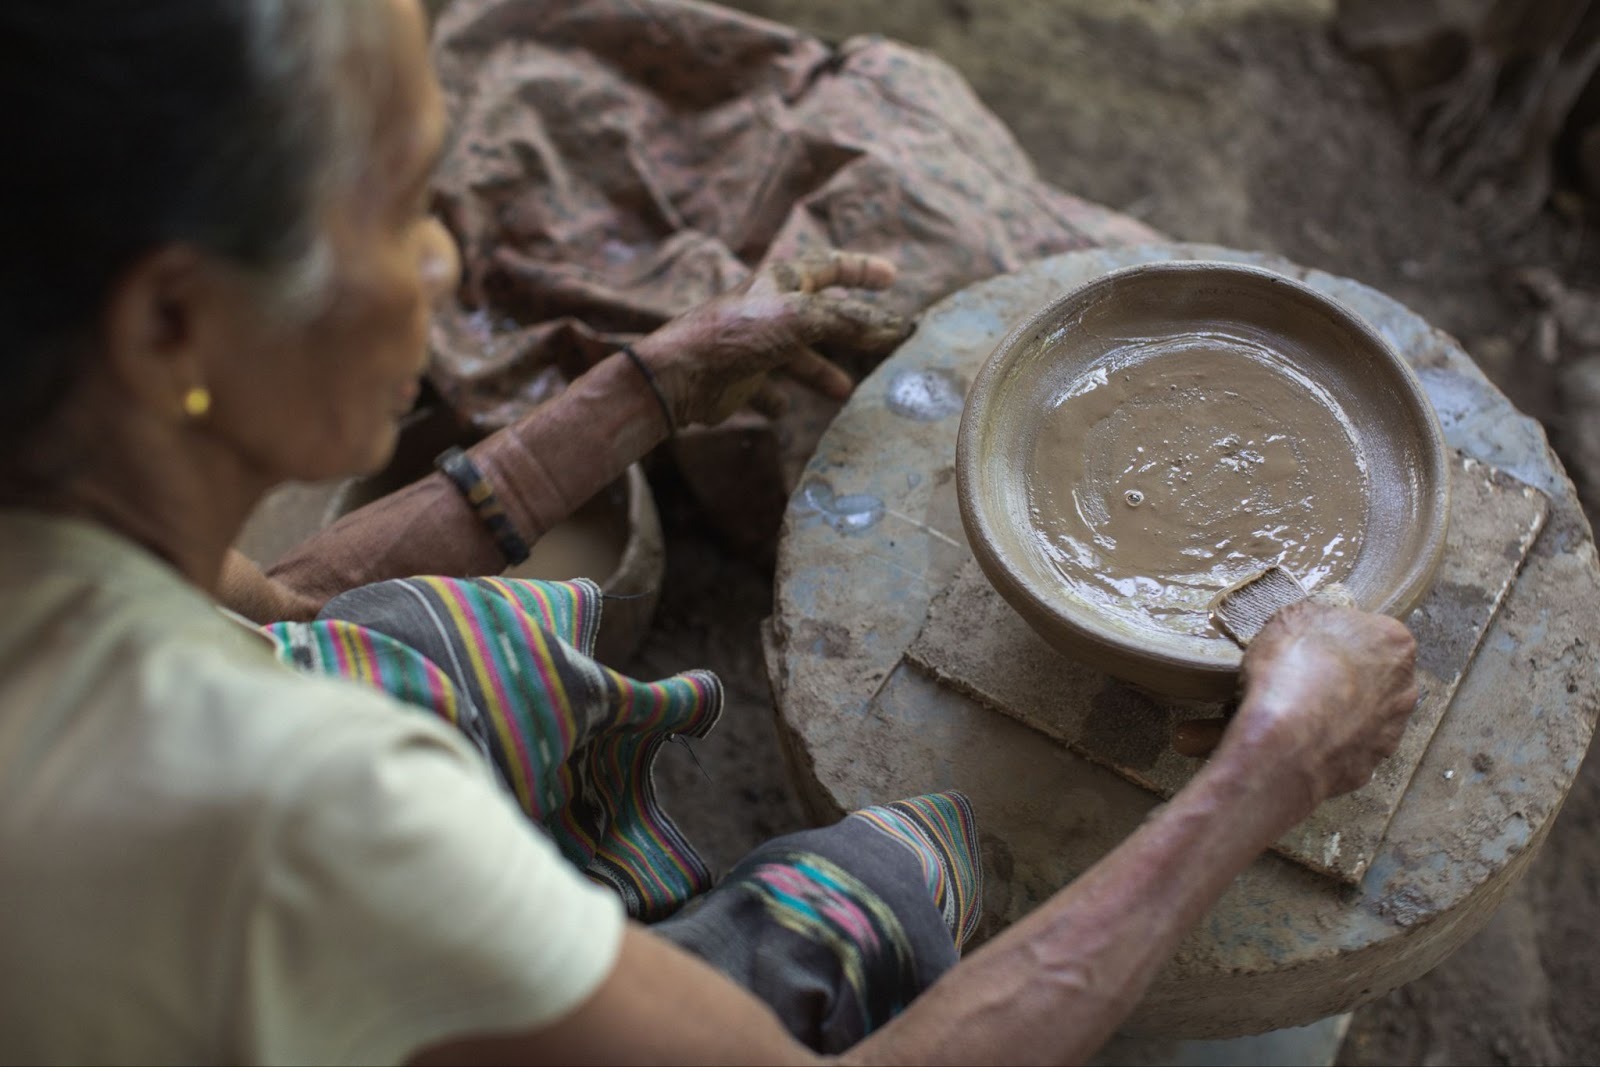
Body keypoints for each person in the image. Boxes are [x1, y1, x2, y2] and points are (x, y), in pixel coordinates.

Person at [0, 1, 1419, 1064]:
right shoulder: (300, 814)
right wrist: (1268, 772)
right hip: (222, 921)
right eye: (397, 203)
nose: (443, 257)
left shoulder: (62, 495)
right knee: (881, 881)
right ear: (169, 321)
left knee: (430, 640)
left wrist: (647, 387)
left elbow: (285, 599)